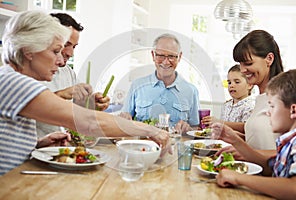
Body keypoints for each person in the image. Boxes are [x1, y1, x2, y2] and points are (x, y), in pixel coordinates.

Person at [0, 10, 169, 176]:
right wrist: (150, 130)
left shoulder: (9, 78)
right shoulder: (13, 82)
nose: (60, 60)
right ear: (29, 51)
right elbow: (89, 122)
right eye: (55, 51)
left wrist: (37, 144)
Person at [211, 69, 296, 199]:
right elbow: (269, 167)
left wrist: (239, 178)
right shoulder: (288, 142)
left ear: (293, 110)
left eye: (272, 106)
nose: (268, 112)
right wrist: (235, 140)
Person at [36, 13, 110, 137]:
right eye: (66, 44)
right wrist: (61, 94)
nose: (70, 53)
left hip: (62, 144)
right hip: (38, 148)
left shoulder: (67, 72)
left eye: (74, 47)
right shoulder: (30, 72)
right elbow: (32, 108)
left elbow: (77, 109)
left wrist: (92, 104)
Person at [215, 30, 284, 153]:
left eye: (248, 63)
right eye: (240, 64)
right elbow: (260, 141)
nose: (242, 70)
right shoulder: (260, 98)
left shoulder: (285, 99)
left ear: (269, 59)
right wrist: (233, 138)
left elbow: (286, 152)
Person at [120, 33, 200, 134]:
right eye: (161, 56)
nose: (166, 62)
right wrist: (124, 120)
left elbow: (196, 129)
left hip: (175, 147)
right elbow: (123, 121)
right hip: (143, 147)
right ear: (153, 55)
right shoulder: (137, 86)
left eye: (171, 56)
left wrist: (189, 129)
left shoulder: (191, 91)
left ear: (179, 57)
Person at [202, 64, 254, 134]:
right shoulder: (226, 105)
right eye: (229, 82)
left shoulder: (250, 106)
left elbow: (246, 128)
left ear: (250, 84)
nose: (231, 85)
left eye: (237, 82)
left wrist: (219, 122)